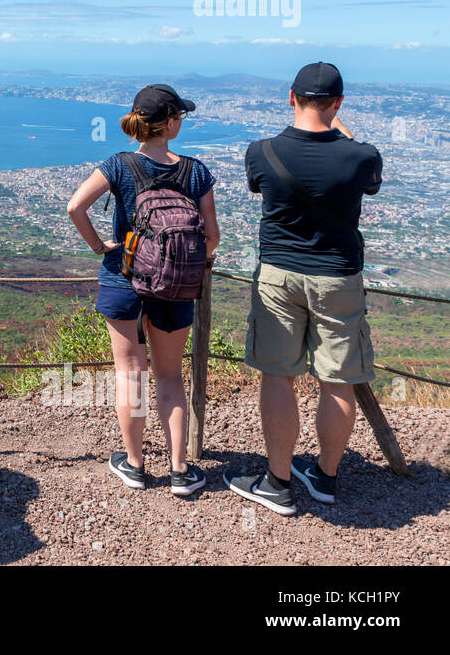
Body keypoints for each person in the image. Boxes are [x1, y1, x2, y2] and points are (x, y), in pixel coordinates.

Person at [225, 62, 382, 517]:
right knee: (339, 378)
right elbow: (363, 174)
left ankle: (277, 482)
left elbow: (260, 188)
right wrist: (338, 126)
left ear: (290, 98)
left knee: (278, 374)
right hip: (338, 277)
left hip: (278, 274)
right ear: (338, 103)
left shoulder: (262, 151)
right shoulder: (362, 156)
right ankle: (326, 477)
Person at [67, 84, 219, 497]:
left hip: (124, 280)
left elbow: (75, 207)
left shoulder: (118, 165)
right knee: (170, 376)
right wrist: (185, 266)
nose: (182, 122)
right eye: (180, 117)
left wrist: (101, 247)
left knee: (130, 375)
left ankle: (134, 465)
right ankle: (180, 471)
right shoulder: (196, 170)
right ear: (169, 123)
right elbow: (212, 236)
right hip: (177, 288)